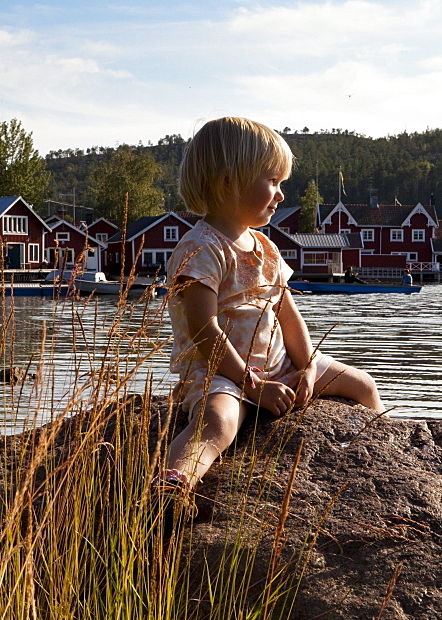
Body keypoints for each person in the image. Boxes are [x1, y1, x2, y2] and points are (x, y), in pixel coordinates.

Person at [156, 117, 385, 532]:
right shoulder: (200, 248)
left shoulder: (265, 247)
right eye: (272, 181)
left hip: (279, 365)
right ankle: (173, 484)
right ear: (229, 182)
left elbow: (288, 312)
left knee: (363, 385)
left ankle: (384, 454)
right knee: (217, 422)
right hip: (219, 373)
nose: (281, 195)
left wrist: (308, 367)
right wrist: (252, 385)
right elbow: (204, 328)